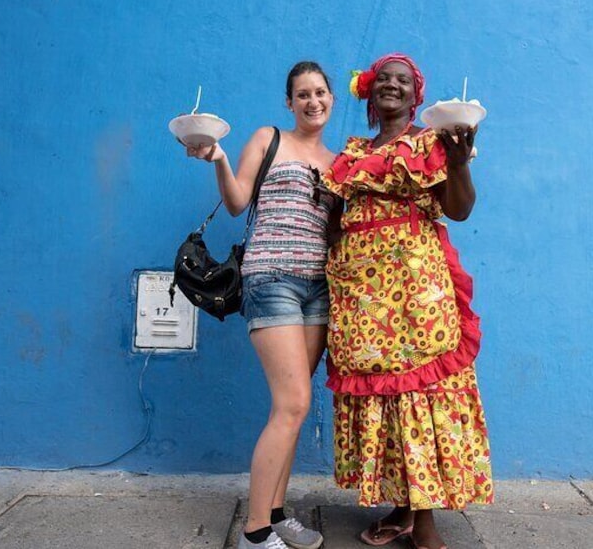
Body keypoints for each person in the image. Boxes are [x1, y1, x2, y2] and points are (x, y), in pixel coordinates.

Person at [321, 53, 493, 549]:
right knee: (387, 392)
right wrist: (342, 251)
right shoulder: (351, 154)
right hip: (362, 293)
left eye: (403, 81)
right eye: (384, 80)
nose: (391, 86)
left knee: (420, 388)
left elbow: (459, 210)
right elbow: (334, 217)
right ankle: (402, 507)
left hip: (416, 287)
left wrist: (459, 165)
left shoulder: (433, 144)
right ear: (370, 92)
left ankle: (427, 523)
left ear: (416, 97)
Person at [184, 61, 337, 549]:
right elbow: (235, 202)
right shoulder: (269, 138)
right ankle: (254, 534)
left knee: (298, 403)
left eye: (320, 92)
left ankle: (274, 512)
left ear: (332, 98)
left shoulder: (338, 163)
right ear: (289, 103)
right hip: (271, 279)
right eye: (302, 95)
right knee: (291, 404)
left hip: (318, 287)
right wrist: (217, 158)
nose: (313, 101)